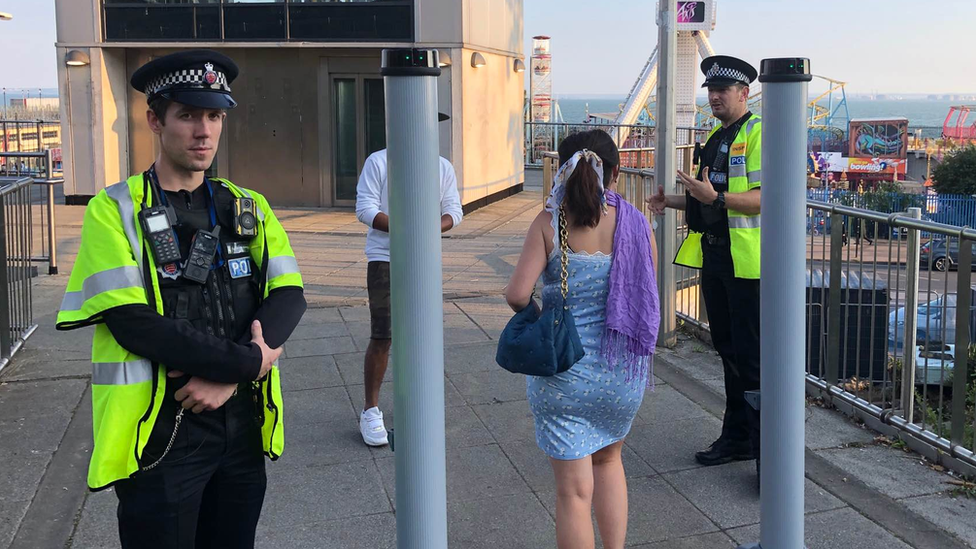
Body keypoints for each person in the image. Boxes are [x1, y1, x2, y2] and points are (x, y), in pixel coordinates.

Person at [55, 50, 306, 548]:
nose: (204, 131)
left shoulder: (247, 205)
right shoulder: (114, 210)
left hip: (241, 428)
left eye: (214, 116)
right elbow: (134, 323)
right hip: (161, 433)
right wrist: (245, 362)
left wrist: (234, 376)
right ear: (154, 120)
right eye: (188, 115)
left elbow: (289, 295)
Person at [507, 129, 659, 549]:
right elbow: (648, 293)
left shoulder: (549, 222)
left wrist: (542, 315)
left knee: (573, 493)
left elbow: (517, 294)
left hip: (563, 374)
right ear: (614, 176)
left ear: (563, 170)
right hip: (620, 375)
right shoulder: (636, 223)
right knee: (610, 461)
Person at [647, 55, 763, 484]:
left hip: (747, 265)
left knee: (751, 360)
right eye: (710, 90)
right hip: (717, 258)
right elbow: (707, 195)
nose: (714, 97)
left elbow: (765, 198)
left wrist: (712, 198)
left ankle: (764, 457)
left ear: (744, 93)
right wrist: (672, 202)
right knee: (729, 353)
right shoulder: (716, 136)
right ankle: (736, 437)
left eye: (723, 90)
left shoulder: (756, 133)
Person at [354, 122, 463, 446]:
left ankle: (417, 408)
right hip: (384, 258)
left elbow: (454, 211)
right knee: (383, 333)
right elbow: (365, 209)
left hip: (424, 260)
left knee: (421, 336)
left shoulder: (441, 166)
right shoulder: (379, 162)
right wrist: (409, 227)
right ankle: (370, 410)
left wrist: (428, 228)